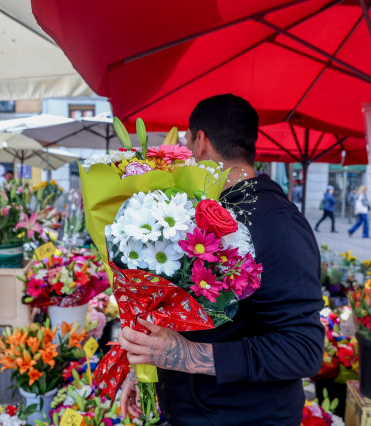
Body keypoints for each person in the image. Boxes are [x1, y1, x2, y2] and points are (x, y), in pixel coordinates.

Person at [118, 94, 324, 425]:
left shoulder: (279, 222)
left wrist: (188, 357)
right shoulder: (201, 210)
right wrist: (147, 369)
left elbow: (303, 349)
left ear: (200, 142)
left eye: (185, 143)